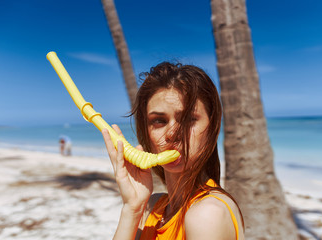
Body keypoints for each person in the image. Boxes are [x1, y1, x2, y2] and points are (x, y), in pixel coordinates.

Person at [102, 62, 245, 240]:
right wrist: (132, 208)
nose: (172, 134)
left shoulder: (207, 214)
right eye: (159, 121)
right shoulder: (153, 207)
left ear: (212, 127)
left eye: (187, 119)